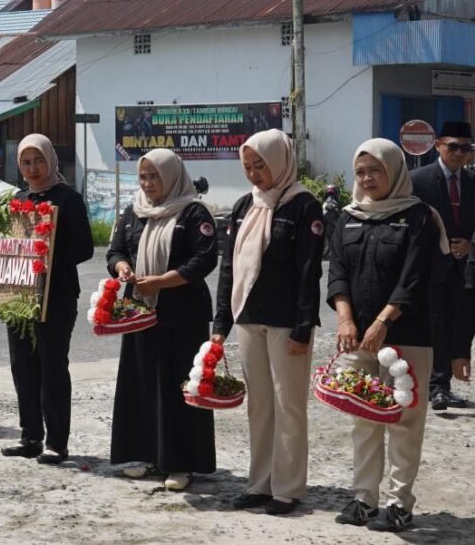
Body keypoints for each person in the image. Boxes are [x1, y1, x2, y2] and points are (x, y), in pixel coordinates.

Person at [329, 138, 444, 533]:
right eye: (360, 171)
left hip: (405, 335)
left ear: (394, 170)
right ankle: (363, 499)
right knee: (363, 418)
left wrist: (383, 322)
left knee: (404, 421)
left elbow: (413, 277)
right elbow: (338, 272)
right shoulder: (347, 217)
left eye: (375, 170)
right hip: (358, 337)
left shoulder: (418, 217)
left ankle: (399, 504)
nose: (367, 178)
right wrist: (345, 319)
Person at [212, 129, 323, 515]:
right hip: (248, 318)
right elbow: (230, 269)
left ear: (280, 161)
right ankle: (259, 483)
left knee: (288, 404)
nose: (255, 174)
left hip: (285, 322)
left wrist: (303, 327)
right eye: (248, 167)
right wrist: (220, 325)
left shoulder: (303, 205)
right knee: (259, 405)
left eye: (261, 165)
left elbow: (309, 271)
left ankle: (288, 488)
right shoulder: (245, 205)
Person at [107, 148, 218, 491]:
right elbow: (115, 250)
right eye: (144, 176)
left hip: (182, 315)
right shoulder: (134, 211)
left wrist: (162, 281)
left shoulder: (193, 211)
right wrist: (122, 267)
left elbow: (204, 260)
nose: (149, 183)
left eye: (155, 176)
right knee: (142, 383)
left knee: (178, 387)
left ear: (171, 176)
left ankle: (182, 464)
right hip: (141, 313)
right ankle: (146, 455)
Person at [0, 134, 93, 465]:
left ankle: (57, 441)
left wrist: (48, 255)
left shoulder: (68, 199)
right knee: (22, 365)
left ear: (51, 160)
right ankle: (30, 436)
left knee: (52, 367)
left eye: (38, 160)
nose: (33, 168)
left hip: (58, 296)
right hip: (20, 295)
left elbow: (85, 248)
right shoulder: (15, 199)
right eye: (26, 162)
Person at [410, 121, 475, 411]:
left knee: (455, 324)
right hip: (429, 268)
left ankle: (443, 385)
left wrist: (471, 246)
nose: (460, 153)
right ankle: (433, 386)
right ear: (438, 145)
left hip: (463, 270)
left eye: (466, 148)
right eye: (453, 146)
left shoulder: (473, 182)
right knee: (432, 326)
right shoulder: (418, 180)